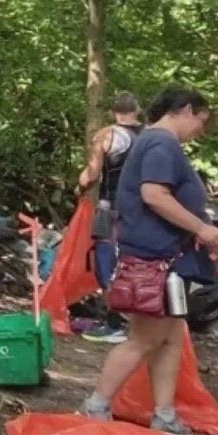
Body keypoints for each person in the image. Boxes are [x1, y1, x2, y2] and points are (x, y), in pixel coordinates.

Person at [80, 87, 218, 435]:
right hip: (155, 259)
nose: (200, 130)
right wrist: (202, 229)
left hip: (172, 258)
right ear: (185, 110)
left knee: (171, 336)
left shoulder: (159, 144)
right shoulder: (161, 144)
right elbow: (154, 194)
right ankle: (97, 404)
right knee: (145, 338)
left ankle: (164, 413)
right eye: (201, 120)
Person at [75, 92, 145, 288]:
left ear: (113, 112)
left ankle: (113, 311)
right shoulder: (152, 135)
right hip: (145, 208)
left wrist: (80, 188)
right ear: (137, 110)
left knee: (106, 260)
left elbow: (92, 174)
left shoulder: (107, 135)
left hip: (112, 206)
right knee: (138, 259)